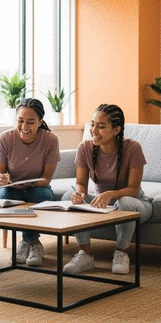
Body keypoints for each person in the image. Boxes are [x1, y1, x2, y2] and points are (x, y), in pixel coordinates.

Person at [62, 104, 152, 275]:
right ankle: (85, 254)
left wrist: (112, 194)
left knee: (124, 202)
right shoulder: (85, 148)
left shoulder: (133, 148)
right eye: (93, 124)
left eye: (101, 126)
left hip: (135, 203)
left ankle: (121, 252)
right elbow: (81, 183)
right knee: (68, 196)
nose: (94, 130)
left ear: (116, 129)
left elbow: (133, 189)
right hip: (103, 203)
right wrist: (79, 194)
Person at [0, 98, 60, 266]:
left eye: (30, 122)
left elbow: (46, 179)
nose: (24, 127)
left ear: (40, 122)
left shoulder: (50, 140)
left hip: (37, 187)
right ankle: (34, 243)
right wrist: (1, 178)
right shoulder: (4, 139)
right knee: (5, 196)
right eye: (20, 121)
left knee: (39, 196)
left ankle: (24, 243)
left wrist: (27, 184)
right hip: (12, 188)